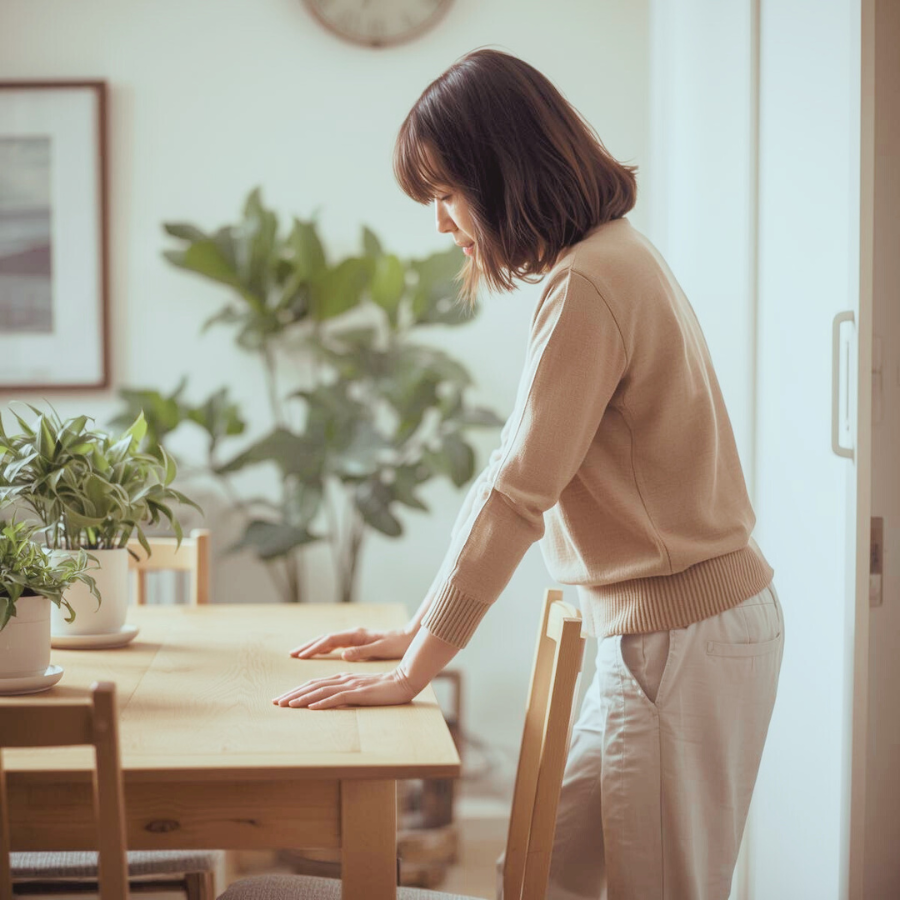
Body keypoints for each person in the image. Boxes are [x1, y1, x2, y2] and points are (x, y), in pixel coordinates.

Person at [272, 48, 784, 900]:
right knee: (543, 875)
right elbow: (512, 475)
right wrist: (417, 635)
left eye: (445, 193)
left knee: (655, 887)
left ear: (501, 173)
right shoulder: (614, 257)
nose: (440, 223)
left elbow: (516, 495)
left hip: (677, 637)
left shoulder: (591, 282)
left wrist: (415, 669)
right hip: (668, 630)